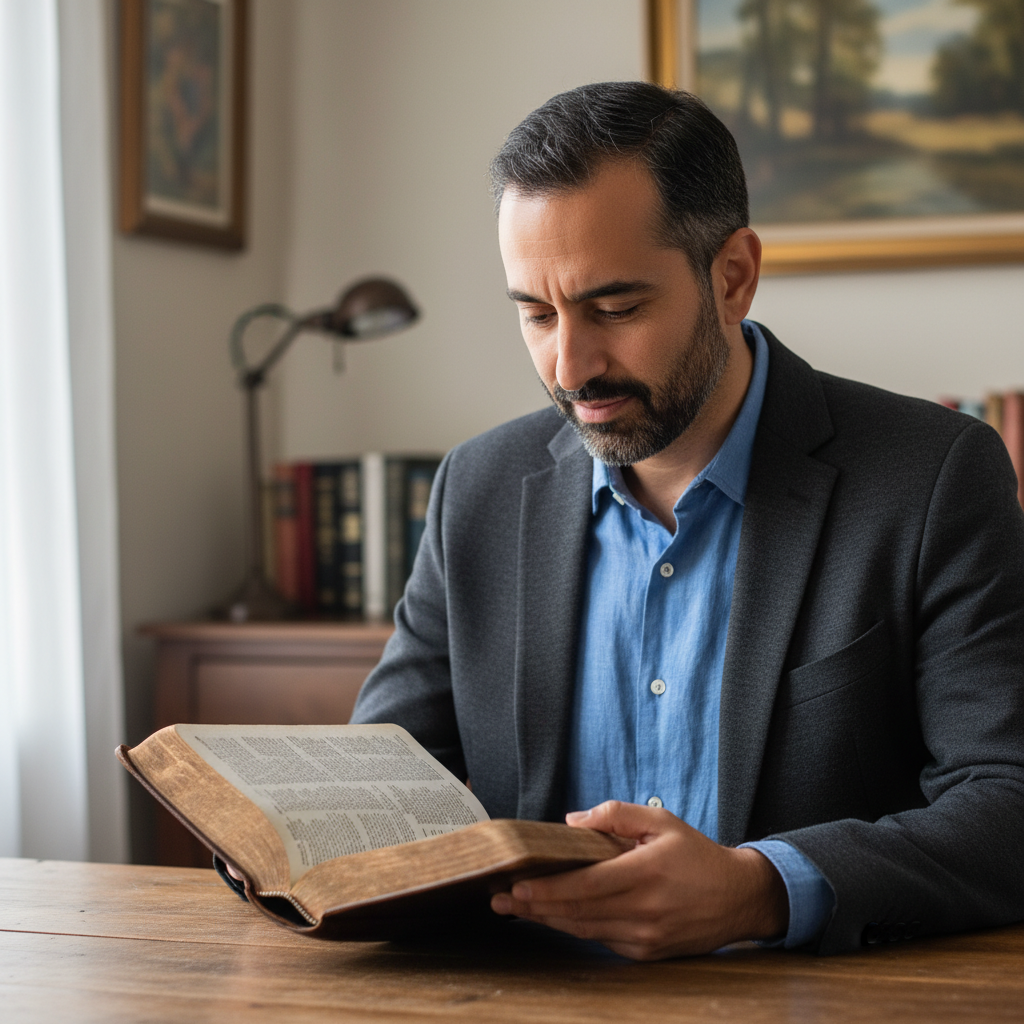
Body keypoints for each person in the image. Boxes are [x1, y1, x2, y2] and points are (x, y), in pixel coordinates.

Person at [350, 82, 1024, 959]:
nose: (571, 363)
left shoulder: (932, 475)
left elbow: (1008, 801)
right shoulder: (478, 486)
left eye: (616, 309)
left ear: (733, 276)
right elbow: (384, 773)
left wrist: (761, 890)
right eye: (536, 313)